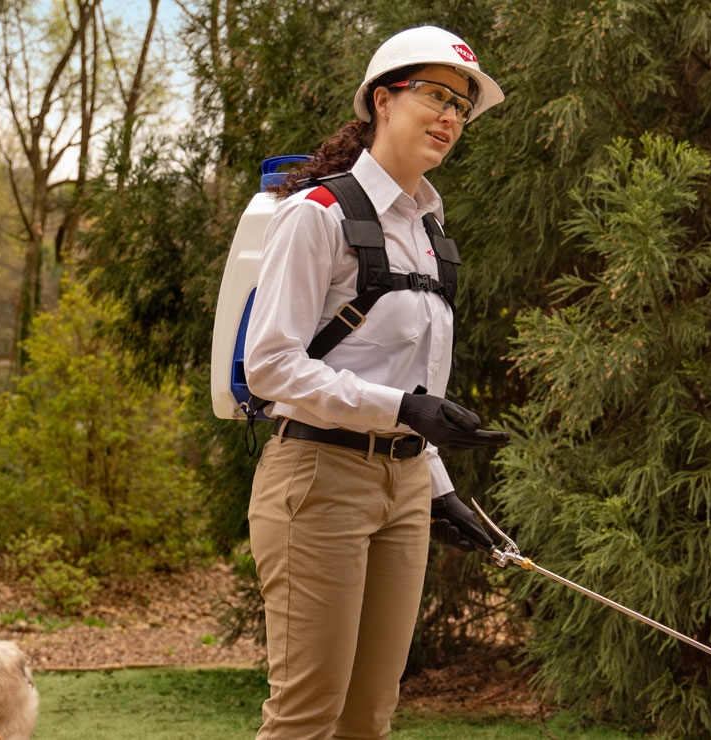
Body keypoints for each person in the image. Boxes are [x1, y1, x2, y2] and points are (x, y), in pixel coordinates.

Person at [242, 24, 510, 740]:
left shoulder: (429, 226)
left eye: (462, 104)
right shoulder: (318, 214)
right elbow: (269, 365)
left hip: (405, 489)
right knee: (306, 716)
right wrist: (404, 409)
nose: (451, 116)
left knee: (369, 718)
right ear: (383, 101)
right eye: (435, 96)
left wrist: (443, 492)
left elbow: (407, 382)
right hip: (317, 479)